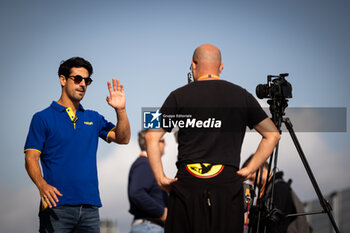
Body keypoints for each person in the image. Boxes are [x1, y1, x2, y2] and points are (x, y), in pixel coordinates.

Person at [145, 44, 281, 233]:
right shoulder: (241, 96)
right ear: (221, 67)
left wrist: (160, 178)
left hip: (187, 186)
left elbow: (151, 136)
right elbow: (273, 134)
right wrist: (250, 169)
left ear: (193, 65)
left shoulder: (178, 96)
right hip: (227, 186)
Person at [24, 57, 131, 233]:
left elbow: (123, 138)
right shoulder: (42, 118)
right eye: (77, 78)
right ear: (63, 79)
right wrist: (42, 185)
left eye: (87, 80)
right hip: (57, 206)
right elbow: (31, 157)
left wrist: (120, 110)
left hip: (90, 208)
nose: (83, 84)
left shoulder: (94, 118)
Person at [242, 155, 310, 233]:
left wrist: (248, 219)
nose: (251, 183)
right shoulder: (268, 191)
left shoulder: (279, 188)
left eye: (252, 179)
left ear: (262, 171)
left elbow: (274, 223)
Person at [128, 129, 168, 233]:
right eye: (162, 141)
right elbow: (137, 193)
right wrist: (162, 212)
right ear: (151, 142)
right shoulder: (145, 164)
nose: (165, 144)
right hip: (148, 227)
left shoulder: (146, 164)